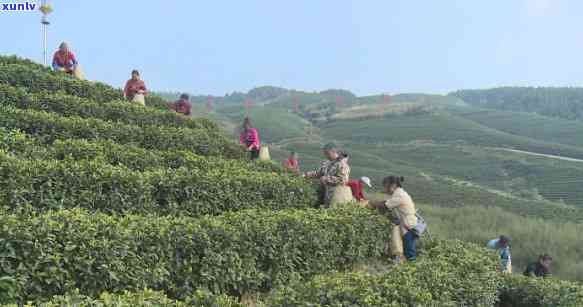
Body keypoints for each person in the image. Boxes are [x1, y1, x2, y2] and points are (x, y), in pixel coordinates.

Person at [368, 176, 418, 263]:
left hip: (408, 223)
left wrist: (372, 203)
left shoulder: (400, 195)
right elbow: (387, 203)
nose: (386, 189)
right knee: (406, 245)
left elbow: (385, 205)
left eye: (386, 186)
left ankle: (412, 266)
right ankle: (407, 264)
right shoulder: (397, 194)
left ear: (393, 185)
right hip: (406, 222)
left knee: (409, 249)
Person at [304, 143, 351, 208]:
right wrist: (306, 175)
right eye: (325, 153)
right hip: (325, 195)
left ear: (333, 151)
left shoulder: (342, 164)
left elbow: (343, 180)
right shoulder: (327, 163)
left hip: (336, 196)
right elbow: (319, 173)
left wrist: (327, 179)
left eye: (327, 153)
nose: (326, 155)